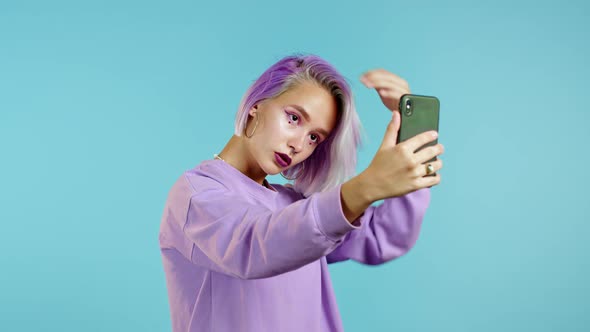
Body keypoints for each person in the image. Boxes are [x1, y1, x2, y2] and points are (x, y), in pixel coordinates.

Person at [159, 54, 444, 332]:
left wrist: (413, 133)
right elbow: (254, 244)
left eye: (314, 137)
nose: (298, 144)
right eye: (294, 118)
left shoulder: (294, 203)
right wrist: (364, 187)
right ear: (257, 104)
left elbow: (384, 235)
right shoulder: (196, 195)